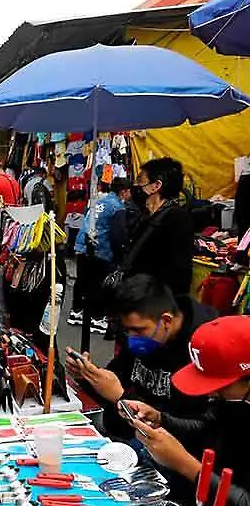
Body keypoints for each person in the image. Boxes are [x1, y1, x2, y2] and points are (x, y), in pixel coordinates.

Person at [122, 315, 250, 506]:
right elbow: (208, 424)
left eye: (220, 385)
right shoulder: (232, 401)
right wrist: (162, 419)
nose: (213, 392)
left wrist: (186, 465)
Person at [65, 274, 217, 451]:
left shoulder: (201, 351)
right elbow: (114, 381)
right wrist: (89, 376)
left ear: (166, 321)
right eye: (127, 330)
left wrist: (120, 396)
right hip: (128, 435)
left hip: (166, 450)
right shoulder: (144, 335)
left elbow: (189, 430)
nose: (132, 337)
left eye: (138, 330)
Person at [67, 177, 133, 335]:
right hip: (100, 248)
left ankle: (76, 312)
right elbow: (117, 235)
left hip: (83, 244)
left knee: (82, 280)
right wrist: (120, 255)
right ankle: (97, 319)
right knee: (99, 284)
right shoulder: (117, 207)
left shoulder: (97, 200)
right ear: (124, 191)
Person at [125, 157, 194, 297]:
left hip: (155, 301)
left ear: (156, 186)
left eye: (140, 181)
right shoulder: (144, 215)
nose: (135, 186)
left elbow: (179, 273)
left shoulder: (176, 220)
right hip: (137, 296)